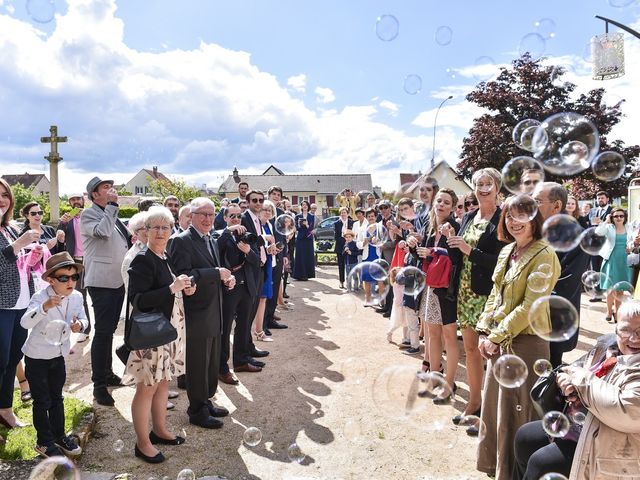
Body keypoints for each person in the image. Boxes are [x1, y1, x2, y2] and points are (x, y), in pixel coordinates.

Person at [475, 195, 561, 480]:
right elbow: (494, 297)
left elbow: (529, 306)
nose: (515, 222)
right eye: (509, 216)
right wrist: (484, 329)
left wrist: (496, 336)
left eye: (522, 215)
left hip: (526, 344)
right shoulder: (507, 251)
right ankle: (498, 468)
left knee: (519, 413)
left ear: (534, 218)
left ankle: (515, 473)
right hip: (499, 341)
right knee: (497, 408)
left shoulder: (545, 254)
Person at [513, 300, 640, 480]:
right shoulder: (607, 346)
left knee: (542, 463)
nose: (634, 338)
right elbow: (574, 368)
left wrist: (579, 380)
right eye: (626, 330)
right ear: (617, 328)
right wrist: (566, 382)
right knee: (524, 437)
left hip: (607, 441)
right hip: (577, 424)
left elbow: (625, 408)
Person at [123, 207, 192, 463]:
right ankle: (142, 443)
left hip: (169, 332)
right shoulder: (143, 259)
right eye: (155, 227)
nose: (161, 232)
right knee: (147, 387)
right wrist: (170, 288)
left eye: (166, 227)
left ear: (172, 230)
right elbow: (137, 300)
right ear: (145, 232)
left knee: (164, 382)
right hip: (152, 335)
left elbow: (169, 289)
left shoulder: (164, 257)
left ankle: (160, 430)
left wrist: (183, 288)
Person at [448, 168, 506, 430]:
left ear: (497, 187)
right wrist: (452, 242)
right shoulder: (469, 215)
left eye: (488, 184)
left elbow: (502, 263)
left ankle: (492, 413)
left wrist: (469, 250)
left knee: (490, 353)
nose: (483, 188)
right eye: (479, 184)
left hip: (488, 294)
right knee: (470, 350)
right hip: (465, 291)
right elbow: (459, 254)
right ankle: (474, 403)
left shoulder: (504, 218)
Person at [168, 198, 233, 429]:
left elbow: (215, 272)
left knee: (212, 360)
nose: (207, 219)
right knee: (197, 362)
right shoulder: (180, 241)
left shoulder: (211, 239)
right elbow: (184, 276)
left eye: (211, 214)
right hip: (195, 312)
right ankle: (196, 410)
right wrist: (215, 273)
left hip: (214, 310)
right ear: (191, 216)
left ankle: (206, 400)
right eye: (202, 214)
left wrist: (226, 279)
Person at [21, 252, 88, 458]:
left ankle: (59, 436)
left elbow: (85, 320)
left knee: (57, 398)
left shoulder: (76, 297)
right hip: (37, 357)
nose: (71, 282)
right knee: (42, 401)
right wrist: (44, 308)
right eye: (64, 278)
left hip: (57, 355)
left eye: (74, 277)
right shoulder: (40, 297)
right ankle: (43, 442)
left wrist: (80, 325)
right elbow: (25, 322)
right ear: (51, 280)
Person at [80, 177, 131, 406]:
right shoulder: (89, 214)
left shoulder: (112, 214)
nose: (111, 190)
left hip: (117, 280)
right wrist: (111, 208)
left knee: (109, 331)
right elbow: (102, 233)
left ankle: (108, 372)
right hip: (101, 282)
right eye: (105, 188)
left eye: (111, 186)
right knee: (102, 333)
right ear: (94, 195)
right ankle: (98, 385)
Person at [0, 178, 42, 436]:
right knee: (0, 360)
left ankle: (5, 409)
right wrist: (18, 246)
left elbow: (17, 264)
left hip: (21, 303)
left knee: (14, 358)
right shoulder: (15, 235)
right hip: (2, 305)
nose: (2, 199)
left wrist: (32, 256)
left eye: (5, 194)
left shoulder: (10, 228)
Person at [533, 183, 590, 367]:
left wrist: (530, 300)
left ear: (556, 206)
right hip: (531, 316)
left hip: (553, 320)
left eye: (537, 201)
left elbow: (565, 284)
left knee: (549, 375)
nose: (532, 206)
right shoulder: (537, 230)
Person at [416, 188, 461, 393]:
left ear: (452, 208)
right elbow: (426, 259)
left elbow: (456, 260)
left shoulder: (455, 227)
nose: (442, 205)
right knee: (432, 335)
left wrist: (435, 250)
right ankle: (435, 377)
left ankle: (449, 382)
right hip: (430, 287)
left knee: (449, 336)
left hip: (446, 290)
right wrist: (413, 247)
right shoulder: (429, 226)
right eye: (439, 201)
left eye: (446, 202)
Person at [217, 203, 261, 381]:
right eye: (232, 216)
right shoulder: (219, 234)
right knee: (225, 328)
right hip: (229, 288)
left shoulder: (247, 236)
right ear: (225, 218)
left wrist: (249, 251)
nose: (236, 219)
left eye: (238, 216)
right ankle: (222, 368)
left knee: (244, 326)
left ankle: (241, 361)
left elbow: (257, 261)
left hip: (246, 287)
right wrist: (229, 231)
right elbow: (215, 248)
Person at [240, 190, 271, 367]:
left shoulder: (257, 218)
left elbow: (258, 244)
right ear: (248, 201)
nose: (258, 203)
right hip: (250, 269)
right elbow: (246, 244)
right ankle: (243, 356)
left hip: (259, 267)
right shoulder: (245, 218)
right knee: (246, 314)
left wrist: (268, 249)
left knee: (251, 313)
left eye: (260, 200)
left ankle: (249, 347)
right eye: (255, 200)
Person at [59, 194, 91, 341]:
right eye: (73, 199)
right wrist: (63, 223)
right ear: (70, 203)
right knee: (80, 296)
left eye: (78, 199)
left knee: (97, 295)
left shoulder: (89, 215)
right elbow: (60, 236)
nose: (76, 201)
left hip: (91, 260)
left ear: (83, 201)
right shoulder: (67, 219)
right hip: (76, 263)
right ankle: (85, 329)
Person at [595, 207, 634, 323]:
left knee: (620, 289)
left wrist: (631, 247)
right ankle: (608, 311)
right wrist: (606, 221)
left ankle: (617, 313)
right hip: (611, 259)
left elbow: (632, 241)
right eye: (616, 216)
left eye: (621, 216)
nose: (619, 218)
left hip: (624, 260)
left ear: (625, 217)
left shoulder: (629, 227)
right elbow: (598, 232)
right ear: (612, 217)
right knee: (611, 289)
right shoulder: (608, 227)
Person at [252, 200, 279, 342]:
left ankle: (259, 330)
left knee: (263, 298)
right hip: (259, 265)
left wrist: (273, 249)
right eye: (265, 209)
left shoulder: (269, 224)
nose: (268, 212)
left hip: (268, 263)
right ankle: (258, 331)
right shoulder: (257, 225)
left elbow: (268, 246)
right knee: (260, 298)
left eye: (270, 210)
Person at [264, 187, 288, 333]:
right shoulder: (263, 210)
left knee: (275, 286)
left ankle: (271, 317)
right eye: (274, 194)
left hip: (278, 254)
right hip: (265, 255)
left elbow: (283, 234)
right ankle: (263, 322)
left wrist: (284, 254)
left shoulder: (280, 213)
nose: (276, 196)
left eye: (279, 195)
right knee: (266, 289)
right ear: (269, 195)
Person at [589, 191, 613, 294]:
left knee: (606, 268)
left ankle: (608, 291)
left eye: (602, 198)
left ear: (607, 199)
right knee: (595, 268)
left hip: (607, 244)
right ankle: (597, 292)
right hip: (594, 245)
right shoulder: (593, 211)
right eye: (598, 198)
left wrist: (603, 223)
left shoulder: (613, 211)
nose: (600, 200)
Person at [293, 200, 316, 281]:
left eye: (306, 205)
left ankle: (307, 275)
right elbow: (296, 228)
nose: (304, 206)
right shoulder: (297, 216)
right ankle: (300, 275)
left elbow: (312, 229)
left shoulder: (312, 216)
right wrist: (299, 225)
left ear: (308, 206)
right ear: (301, 206)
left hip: (309, 238)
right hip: (300, 238)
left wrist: (307, 225)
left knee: (308, 256)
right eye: (303, 205)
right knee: (300, 256)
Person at [334, 207, 353, 289]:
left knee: (350, 265)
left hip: (351, 247)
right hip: (340, 247)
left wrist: (349, 243)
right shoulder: (337, 223)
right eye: (341, 212)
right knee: (341, 265)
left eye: (344, 212)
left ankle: (350, 282)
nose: (343, 214)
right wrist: (345, 241)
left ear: (347, 213)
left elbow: (354, 234)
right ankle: (341, 281)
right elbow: (336, 237)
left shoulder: (352, 222)